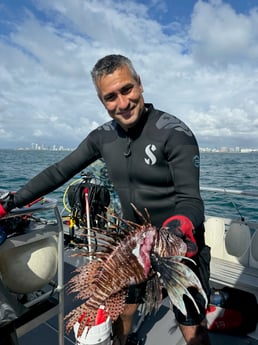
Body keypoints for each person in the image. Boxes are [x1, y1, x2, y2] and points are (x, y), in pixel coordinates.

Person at [0, 54, 211, 345]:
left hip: (179, 245)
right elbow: (59, 171)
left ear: (140, 84)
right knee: (124, 313)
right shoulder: (102, 137)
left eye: (127, 90)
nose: (122, 103)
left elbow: (192, 201)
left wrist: (172, 233)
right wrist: (10, 202)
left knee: (192, 327)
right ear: (102, 101)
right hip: (130, 250)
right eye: (110, 97)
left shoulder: (174, 133)